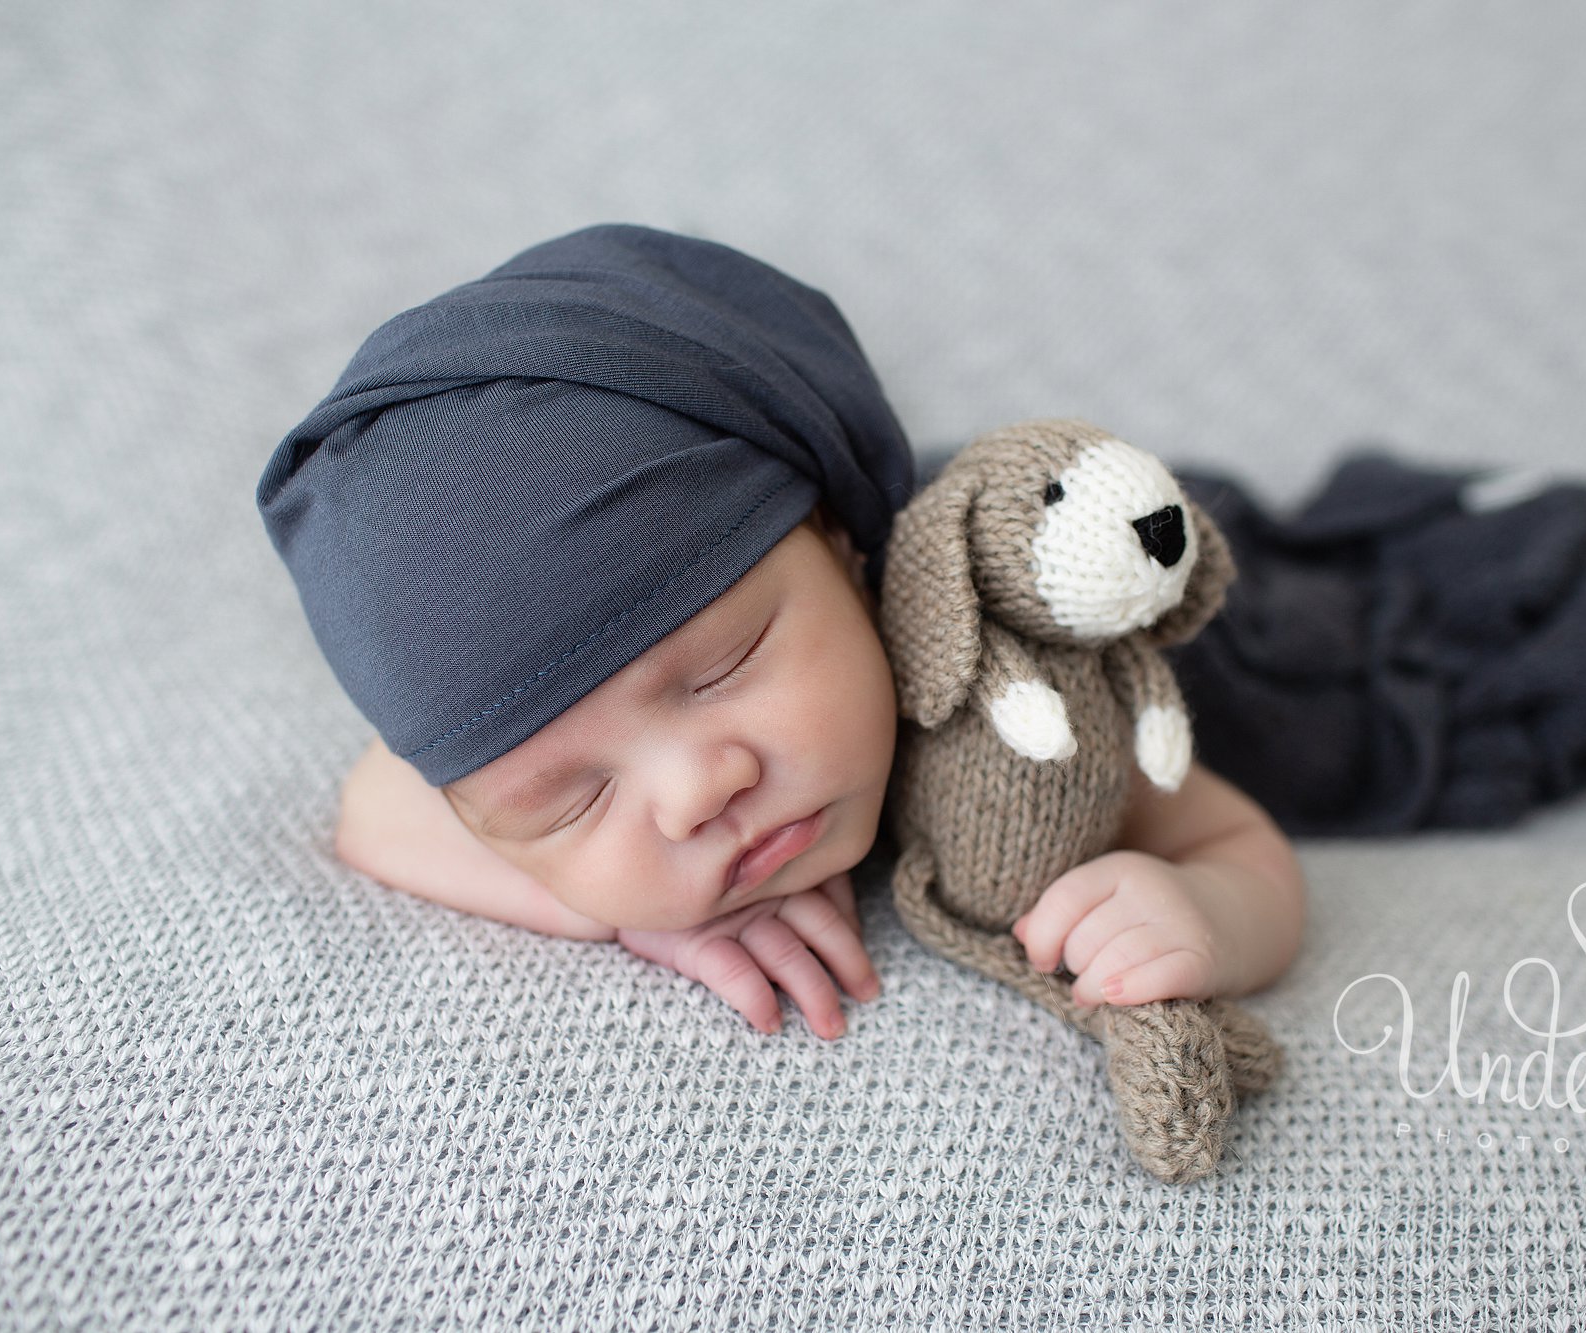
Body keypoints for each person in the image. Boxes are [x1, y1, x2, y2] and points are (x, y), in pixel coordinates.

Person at [257, 224, 1306, 1043]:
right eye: (571, 798)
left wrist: (1202, 913)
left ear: (840, 546)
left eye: (721, 668)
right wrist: (619, 907)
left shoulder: (1007, 696)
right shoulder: (507, 764)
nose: (695, 793)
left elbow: (1231, 844)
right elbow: (373, 811)